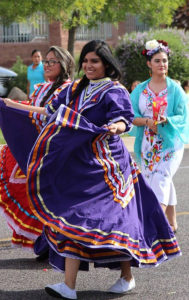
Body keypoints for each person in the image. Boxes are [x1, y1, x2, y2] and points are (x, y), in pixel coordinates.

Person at [1, 40, 181, 300]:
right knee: (71, 217)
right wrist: (10, 106)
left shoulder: (114, 89)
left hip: (108, 168)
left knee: (117, 223)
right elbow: (48, 112)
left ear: (106, 64)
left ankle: (126, 276)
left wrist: (115, 127)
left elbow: (124, 119)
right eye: (85, 61)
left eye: (94, 61)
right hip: (78, 164)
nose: (88, 65)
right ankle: (69, 286)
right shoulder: (74, 89)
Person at [0, 46, 75, 251]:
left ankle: (56, 245)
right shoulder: (41, 87)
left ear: (65, 65)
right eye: (46, 61)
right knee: (30, 192)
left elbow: (51, 114)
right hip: (34, 147)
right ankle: (42, 242)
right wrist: (10, 105)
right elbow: (31, 106)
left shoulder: (69, 89)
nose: (47, 65)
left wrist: (15, 106)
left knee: (51, 198)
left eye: (53, 61)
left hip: (55, 151)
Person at [130, 39, 189, 233]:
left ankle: (153, 222)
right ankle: (172, 223)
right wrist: (147, 122)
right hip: (147, 144)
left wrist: (167, 120)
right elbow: (131, 116)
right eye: (157, 60)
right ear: (149, 63)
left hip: (171, 144)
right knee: (155, 178)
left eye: (165, 60)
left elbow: (183, 115)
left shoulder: (175, 89)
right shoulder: (140, 91)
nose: (162, 64)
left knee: (162, 176)